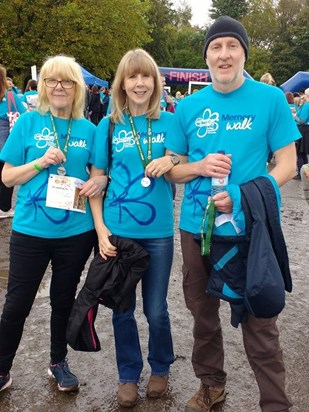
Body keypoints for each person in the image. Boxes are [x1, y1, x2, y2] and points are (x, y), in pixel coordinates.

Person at [165, 16, 300, 412]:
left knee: (261, 320)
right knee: (203, 316)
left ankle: (274, 402)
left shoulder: (270, 99)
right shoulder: (188, 106)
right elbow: (172, 166)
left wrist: (243, 195)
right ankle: (211, 385)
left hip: (250, 229)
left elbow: (288, 164)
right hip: (196, 229)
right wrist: (199, 167)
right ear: (206, 56)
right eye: (215, 48)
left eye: (232, 46)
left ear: (244, 52)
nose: (224, 55)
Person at [0, 55, 106, 393]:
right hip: (30, 231)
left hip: (76, 233)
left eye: (67, 81)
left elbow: (98, 175)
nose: (59, 87)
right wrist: (39, 162)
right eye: (52, 81)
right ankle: (2, 369)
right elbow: (6, 178)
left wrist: (100, 182)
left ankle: (58, 362)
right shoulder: (28, 124)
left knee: (63, 300)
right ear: (43, 86)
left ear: (77, 89)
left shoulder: (89, 130)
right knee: (17, 304)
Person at [89, 48, 176, 408]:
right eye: (132, 76)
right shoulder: (107, 126)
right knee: (121, 309)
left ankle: (160, 366)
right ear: (121, 83)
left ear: (155, 82)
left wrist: (169, 158)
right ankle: (128, 374)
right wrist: (100, 230)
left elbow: (183, 161)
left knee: (155, 309)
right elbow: (96, 181)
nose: (139, 83)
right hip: (118, 232)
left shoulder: (170, 121)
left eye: (146, 76)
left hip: (158, 232)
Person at [0, 65, 26, 219]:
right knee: (6, 177)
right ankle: (4, 208)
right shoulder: (10, 97)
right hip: (4, 146)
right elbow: (23, 114)